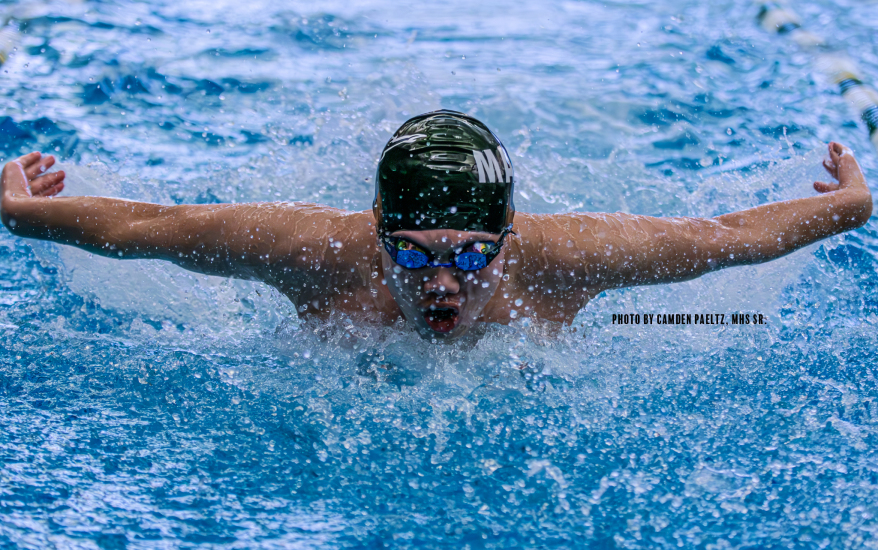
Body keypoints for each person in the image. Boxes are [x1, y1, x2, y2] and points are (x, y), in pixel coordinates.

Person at [0, 110, 872, 340]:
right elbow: (156, 224)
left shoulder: (567, 259)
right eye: (412, 258)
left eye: (470, 255)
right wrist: (22, 213)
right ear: (375, 226)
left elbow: (724, 239)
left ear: (511, 231)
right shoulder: (312, 252)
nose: (446, 283)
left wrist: (850, 205)